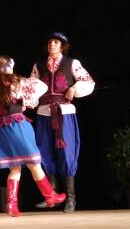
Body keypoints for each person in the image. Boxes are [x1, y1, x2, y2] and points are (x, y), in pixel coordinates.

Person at [0, 55, 66, 217]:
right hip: (17, 125)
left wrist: (21, 103)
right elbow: (41, 87)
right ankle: (50, 196)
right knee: (34, 163)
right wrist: (25, 102)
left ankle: (12, 204)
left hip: (0, 128)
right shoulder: (15, 82)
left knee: (15, 168)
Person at [30, 32, 95, 212]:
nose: (52, 44)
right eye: (50, 42)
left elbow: (89, 82)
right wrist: (26, 102)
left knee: (66, 153)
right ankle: (52, 196)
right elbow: (31, 88)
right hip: (44, 112)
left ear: (62, 46)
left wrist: (74, 88)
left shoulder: (72, 63)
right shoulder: (38, 65)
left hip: (64, 112)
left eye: (56, 42)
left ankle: (71, 199)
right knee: (44, 152)